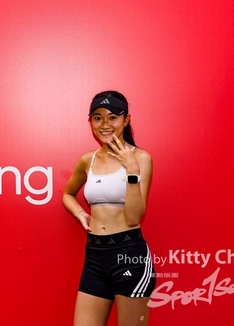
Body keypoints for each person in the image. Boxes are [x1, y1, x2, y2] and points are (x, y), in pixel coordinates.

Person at [63, 90, 155, 326]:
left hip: (129, 255)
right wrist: (80, 214)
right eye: (98, 117)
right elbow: (68, 194)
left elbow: (134, 218)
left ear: (126, 120)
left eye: (113, 117)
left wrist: (132, 171)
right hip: (94, 256)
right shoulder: (88, 159)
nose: (105, 124)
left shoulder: (141, 158)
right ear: (90, 122)